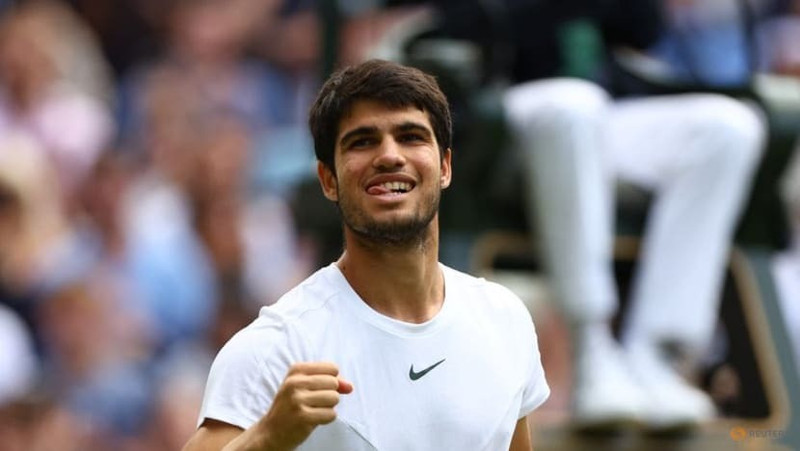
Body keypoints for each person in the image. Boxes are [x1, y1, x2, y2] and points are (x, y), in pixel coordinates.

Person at [183, 59, 549, 450]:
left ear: (444, 166)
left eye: (410, 136)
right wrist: (268, 437)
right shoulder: (276, 347)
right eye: (362, 141)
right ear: (328, 180)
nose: (389, 155)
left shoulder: (504, 320)